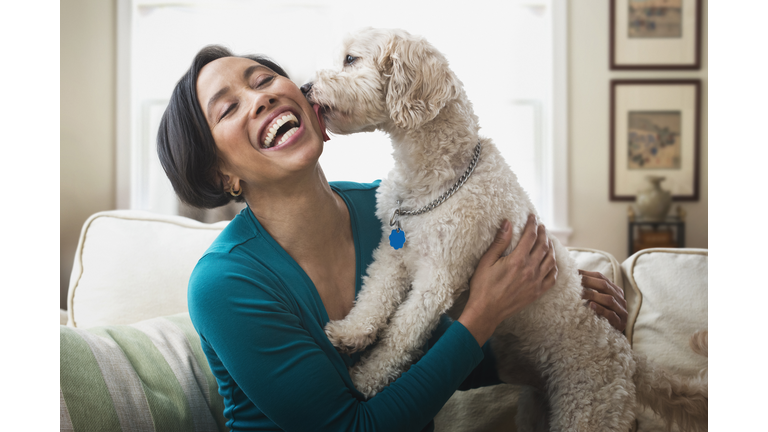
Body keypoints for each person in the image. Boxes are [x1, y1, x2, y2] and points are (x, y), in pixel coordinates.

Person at [157, 45, 628, 432]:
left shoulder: (397, 210)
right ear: (221, 175)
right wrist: (483, 313)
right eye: (229, 107)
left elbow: (444, 361)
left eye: (263, 81)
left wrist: (541, 298)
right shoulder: (226, 283)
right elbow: (351, 427)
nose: (260, 98)